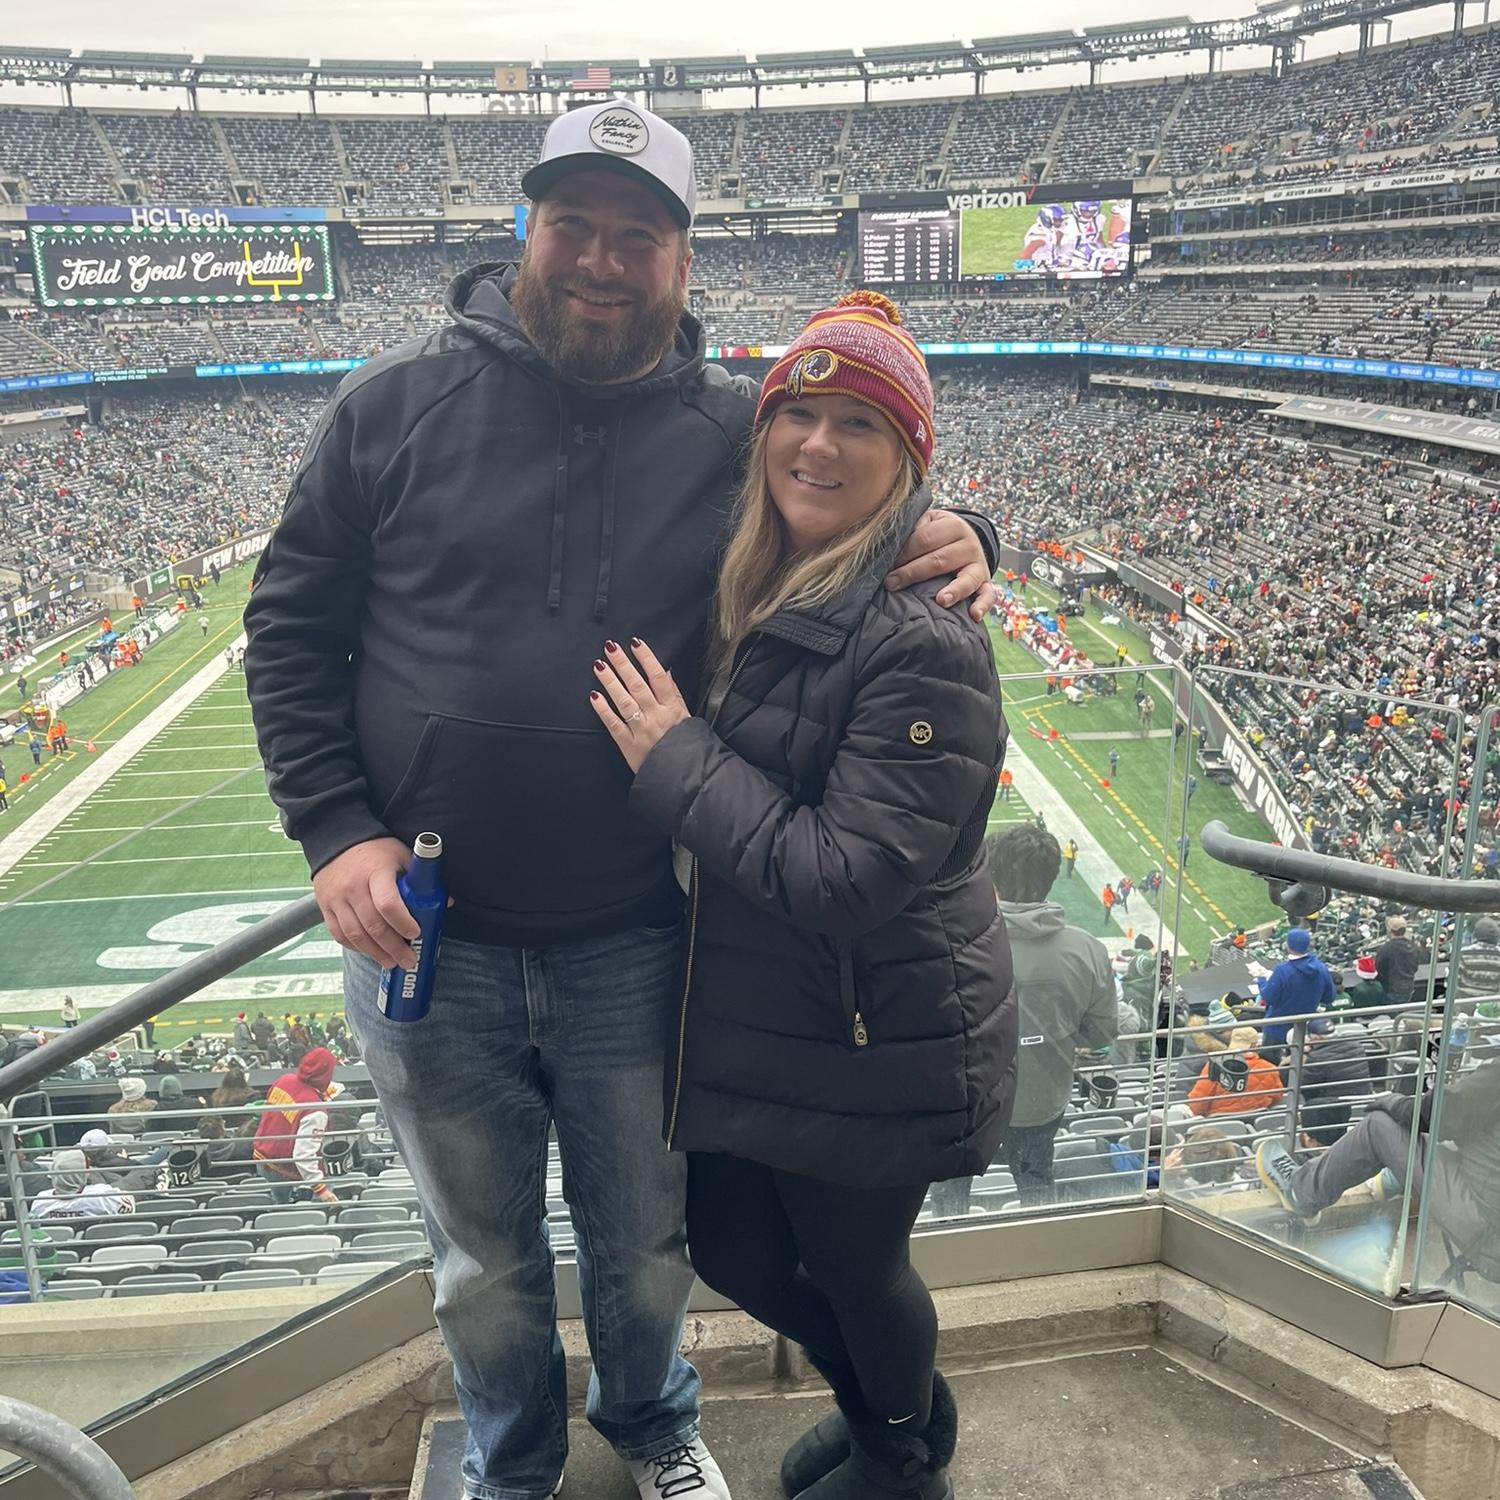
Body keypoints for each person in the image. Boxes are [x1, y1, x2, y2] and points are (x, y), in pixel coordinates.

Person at [243, 99, 997, 1500]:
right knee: (477, 1256)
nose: (602, 259)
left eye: (636, 235)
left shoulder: (730, 429)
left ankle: (652, 1427)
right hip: (429, 938)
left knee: (648, 1240)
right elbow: (289, 629)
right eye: (575, 224)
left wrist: (958, 527)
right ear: (524, 230)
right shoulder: (392, 399)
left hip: (643, 936)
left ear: (680, 260)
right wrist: (333, 826)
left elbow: (845, 478)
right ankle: (512, 1461)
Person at [592, 288, 1013, 1500]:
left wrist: (675, 758)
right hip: (778, 1017)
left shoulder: (922, 634)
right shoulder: (769, 571)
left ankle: (899, 1452)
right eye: (800, 412)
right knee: (735, 1245)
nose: (818, 444)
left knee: (853, 1267)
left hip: (878, 1020)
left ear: (909, 463)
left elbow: (848, 876)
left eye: (860, 426)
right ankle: (895, 1409)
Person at [986, 826, 1114, 1206]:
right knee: (1037, 1193)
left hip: (974, 1108)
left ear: (991, 876)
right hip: (1042, 1103)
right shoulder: (1087, 949)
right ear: (1052, 876)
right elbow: (1101, 1036)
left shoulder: (958, 941)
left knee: (949, 1198)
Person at [1256, 1054, 1500, 1247]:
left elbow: (1439, 1113)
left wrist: (1394, 1101)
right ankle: (1392, 1179)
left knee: (1378, 1126)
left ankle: (1301, 1192)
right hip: (1487, 1217)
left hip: (1487, 1232)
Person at [252, 1046, 341, 1206]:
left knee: (281, 1206)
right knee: (330, 1179)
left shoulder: (283, 1080)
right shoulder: (315, 1110)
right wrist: (321, 1189)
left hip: (262, 1157)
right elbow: (303, 1154)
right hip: (283, 1167)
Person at [1284, 1018, 1379, 1147]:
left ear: (1316, 1039)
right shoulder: (1357, 1046)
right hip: (1363, 1104)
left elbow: (1303, 1087)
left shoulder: (1317, 1058)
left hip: (1333, 1112)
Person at [1256, 928, 1335, 1054]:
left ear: (1288, 945)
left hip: (1278, 1028)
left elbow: (1268, 997)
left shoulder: (1283, 970)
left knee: (1273, 1065)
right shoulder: (1321, 968)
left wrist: (1261, 979)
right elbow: (1329, 997)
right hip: (1304, 1027)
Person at [1187, 1026, 1285, 1118]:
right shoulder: (1269, 1068)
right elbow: (1276, 1097)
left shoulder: (1214, 1065)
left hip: (1218, 1123)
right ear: (1255, 1045)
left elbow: (1198, 1103)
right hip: (1257, 1122)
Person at [29, 1150, 137, 1221]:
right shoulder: (104, 1196)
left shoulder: (39, 1202)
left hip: (63, 1252)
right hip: (99, 1249)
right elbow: (130, 1207)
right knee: (145, 1172)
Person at [1376, 915, 1425, 1008]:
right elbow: (1415, 966)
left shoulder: (1386, 949)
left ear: (1389, 930)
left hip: (1391, 991)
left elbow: (1379, 969)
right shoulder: (1414, 947)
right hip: (1409, 988)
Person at [1454, 916, 1500, 1007]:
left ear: (1475, 934)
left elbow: (1452, 982)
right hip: (1491, 1007)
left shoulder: (1463, 953)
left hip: (1465, 1004)